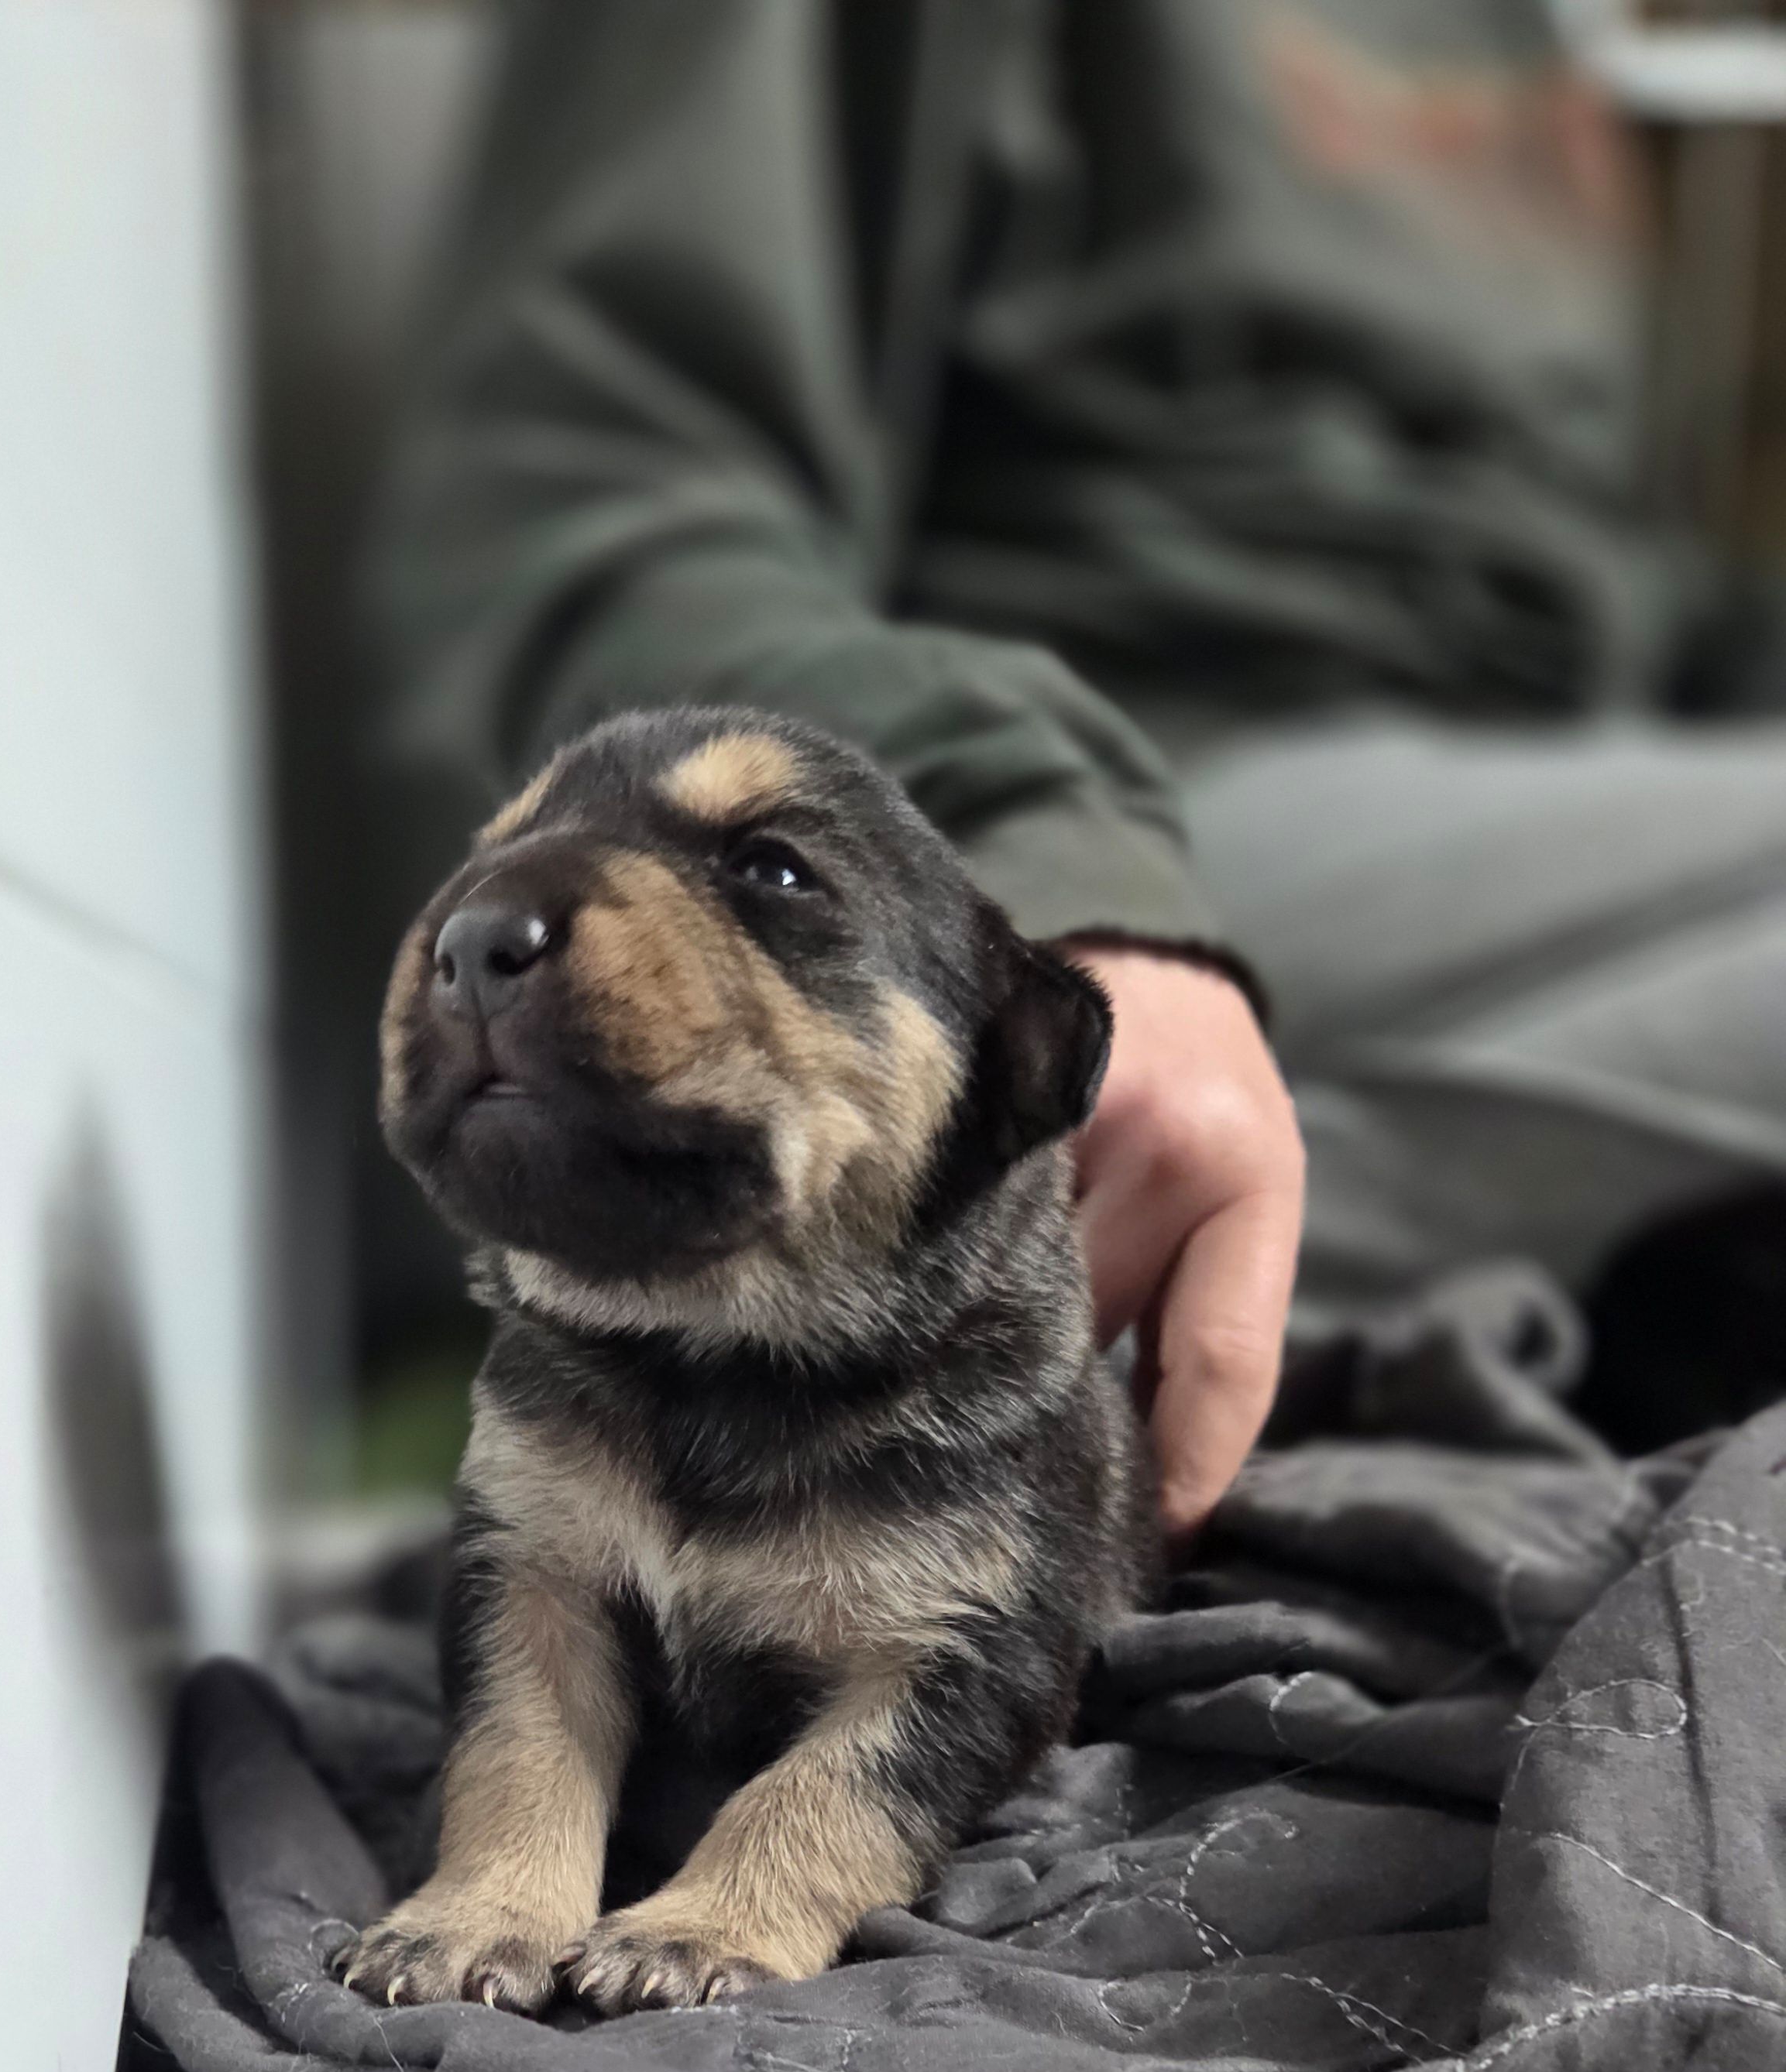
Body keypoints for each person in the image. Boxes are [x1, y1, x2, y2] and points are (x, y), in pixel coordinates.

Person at [364, 0, 1786, 1536]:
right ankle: (958, 1326)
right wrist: (1035, 866)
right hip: (1115, 819)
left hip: (1526, 809)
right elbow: (583, 499)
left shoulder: (1533, 44)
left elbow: (1588, 606)